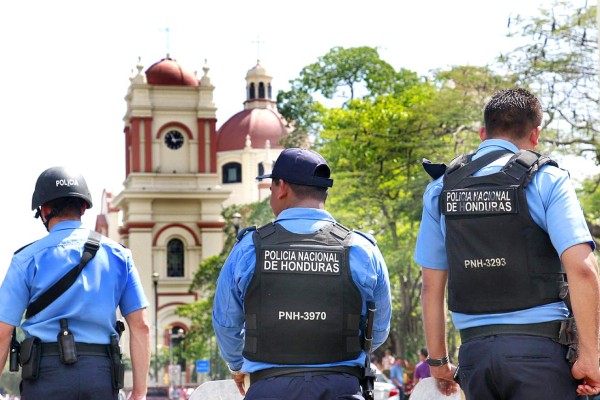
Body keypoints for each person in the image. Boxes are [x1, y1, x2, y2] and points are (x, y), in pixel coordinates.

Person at [415, 88, 600, 398]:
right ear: (536, 134)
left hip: (475, 358)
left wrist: (438, 363)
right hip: (541, 357)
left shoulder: (440, 189)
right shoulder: (547, 179)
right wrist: (591, 358)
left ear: (482, 132)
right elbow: (583, 270)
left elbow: (431, 286)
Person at [212, 148, 392, 399]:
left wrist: (236, 364)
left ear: (281, 186)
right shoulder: (362, 249)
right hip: (342, 388)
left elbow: (226, 323)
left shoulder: (248, 249)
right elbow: (379, 330)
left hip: (269, 390)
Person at [0, 167, 151, 400]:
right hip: (101, 377)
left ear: (44, 210)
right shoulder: (120, 256)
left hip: (44, 377)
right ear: (83, 207)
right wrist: (139, 393)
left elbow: (3, 332)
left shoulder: (25, 260)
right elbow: (140, 326)